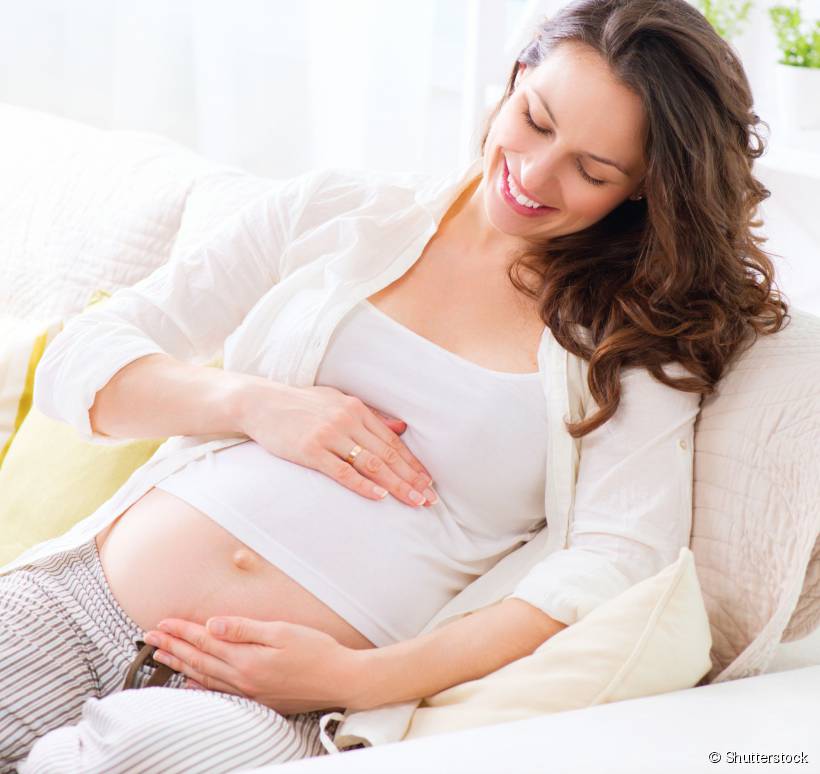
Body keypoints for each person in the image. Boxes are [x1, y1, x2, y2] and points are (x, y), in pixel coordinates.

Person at [0, 0, 789, 771]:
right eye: (536, 119)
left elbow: (617, 563)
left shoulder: (633, 343)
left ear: (645, 186)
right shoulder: (339, 211)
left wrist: (359, 679)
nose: (534, 175)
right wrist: (255, 405)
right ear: (515, 76)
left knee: (125, 755)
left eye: (592, 169)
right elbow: (84, 354)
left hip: (272, 702)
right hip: (83, 598)